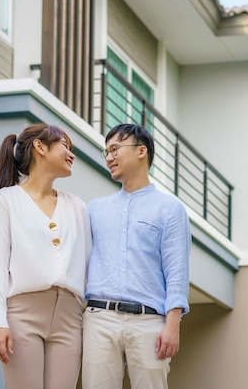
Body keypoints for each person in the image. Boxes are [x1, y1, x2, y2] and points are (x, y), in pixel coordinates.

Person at [82, 123, 191, 389]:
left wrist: (173, 325)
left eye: (115, 149)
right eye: (106, 152)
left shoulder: (171, 209)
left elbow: (176, 270)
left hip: (150, 321)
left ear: (142, 151)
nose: (109, 157)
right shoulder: (94, 210)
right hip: (100, 318)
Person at [0, 122, 91, 389]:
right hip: (22, 316)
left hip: (70, 316)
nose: (72, 154)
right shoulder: (5, 200)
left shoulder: (76, 206)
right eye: (65, 146)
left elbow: (89, 265)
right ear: (40, 147)